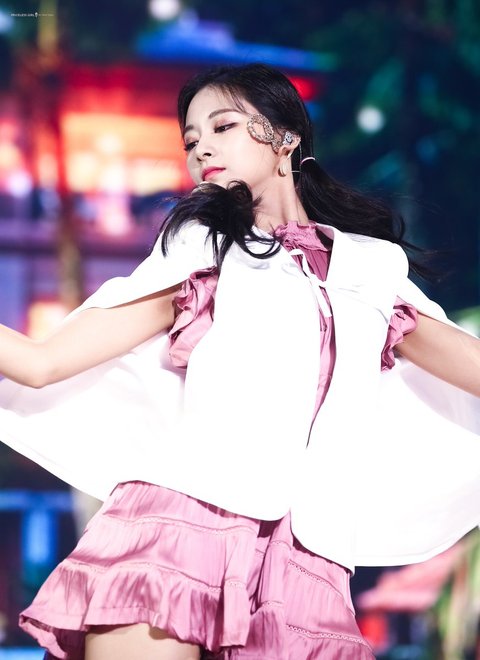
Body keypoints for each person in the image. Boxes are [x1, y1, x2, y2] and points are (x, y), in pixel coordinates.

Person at [0, 63, 480, 660]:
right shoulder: (201, 252)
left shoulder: (371, 270)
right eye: (191, 140)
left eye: (222, 127)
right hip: (176, 528)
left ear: (285, 136)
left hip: (309, 560)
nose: (201, 148)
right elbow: (42, 364)